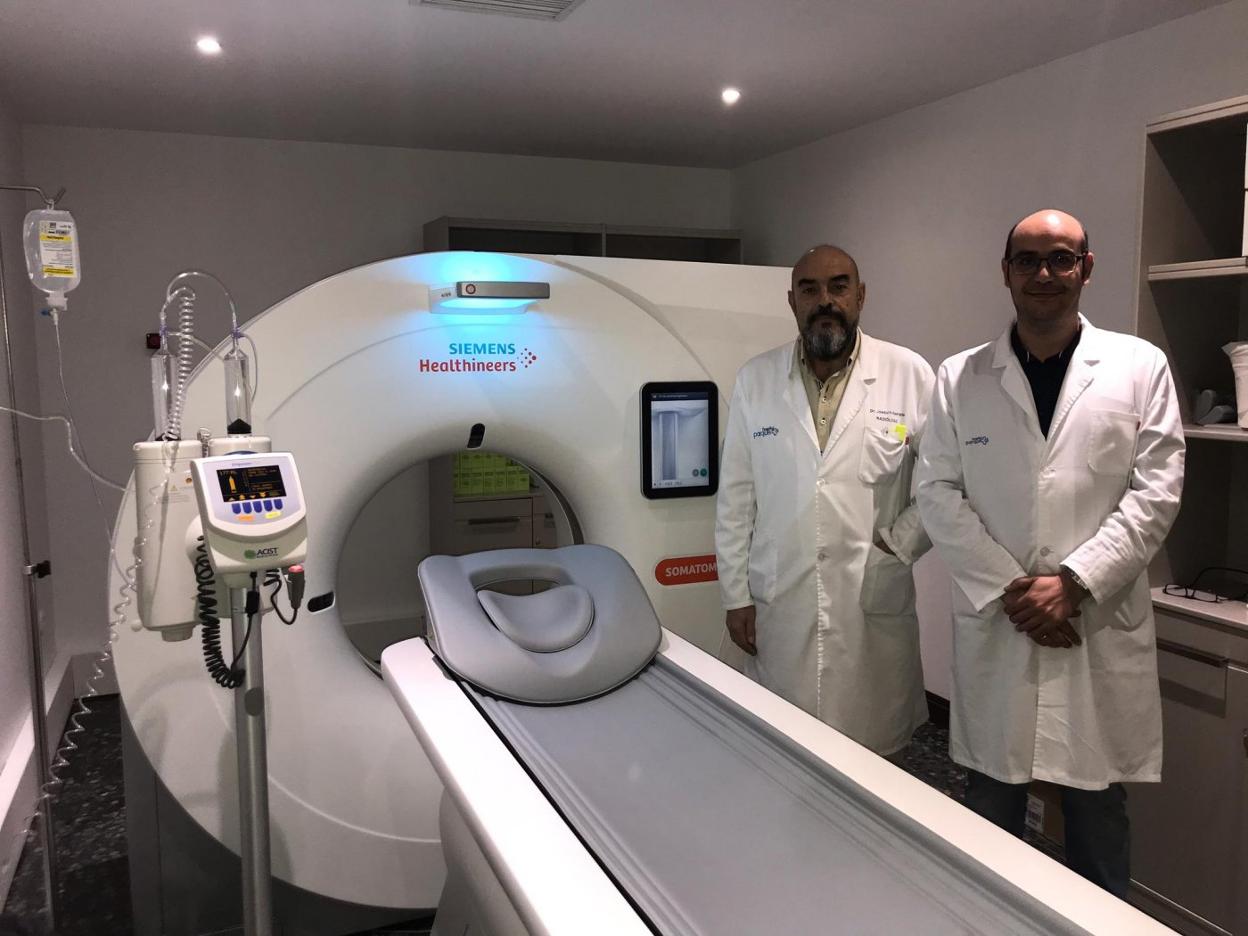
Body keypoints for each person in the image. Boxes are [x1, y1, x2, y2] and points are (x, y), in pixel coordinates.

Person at [916, 209, 1185, 896]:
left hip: (1093, 620)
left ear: (1086, 268)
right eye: (1028, 260)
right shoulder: (960, 376)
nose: (1044, 273)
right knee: (989, 806)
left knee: (1098, 814)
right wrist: (1016, 591)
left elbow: (1157, 491)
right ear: (1005, 272)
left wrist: (1075, 583)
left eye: (1061, 258)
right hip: (1001, 622)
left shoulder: (1139, 367)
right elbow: (936, 490)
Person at [715, 244, 934, 758]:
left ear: (861, 296)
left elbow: (943, 482)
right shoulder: (756, 379)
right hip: (780, 598)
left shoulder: (907, 373)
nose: (825, 301)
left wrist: (897, 545)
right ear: (792, 301)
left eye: (839, 287)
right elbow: (736, 497)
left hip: (870, 595)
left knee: (873, 758)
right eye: (809, 289)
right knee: (781, 752)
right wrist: (735, 594)